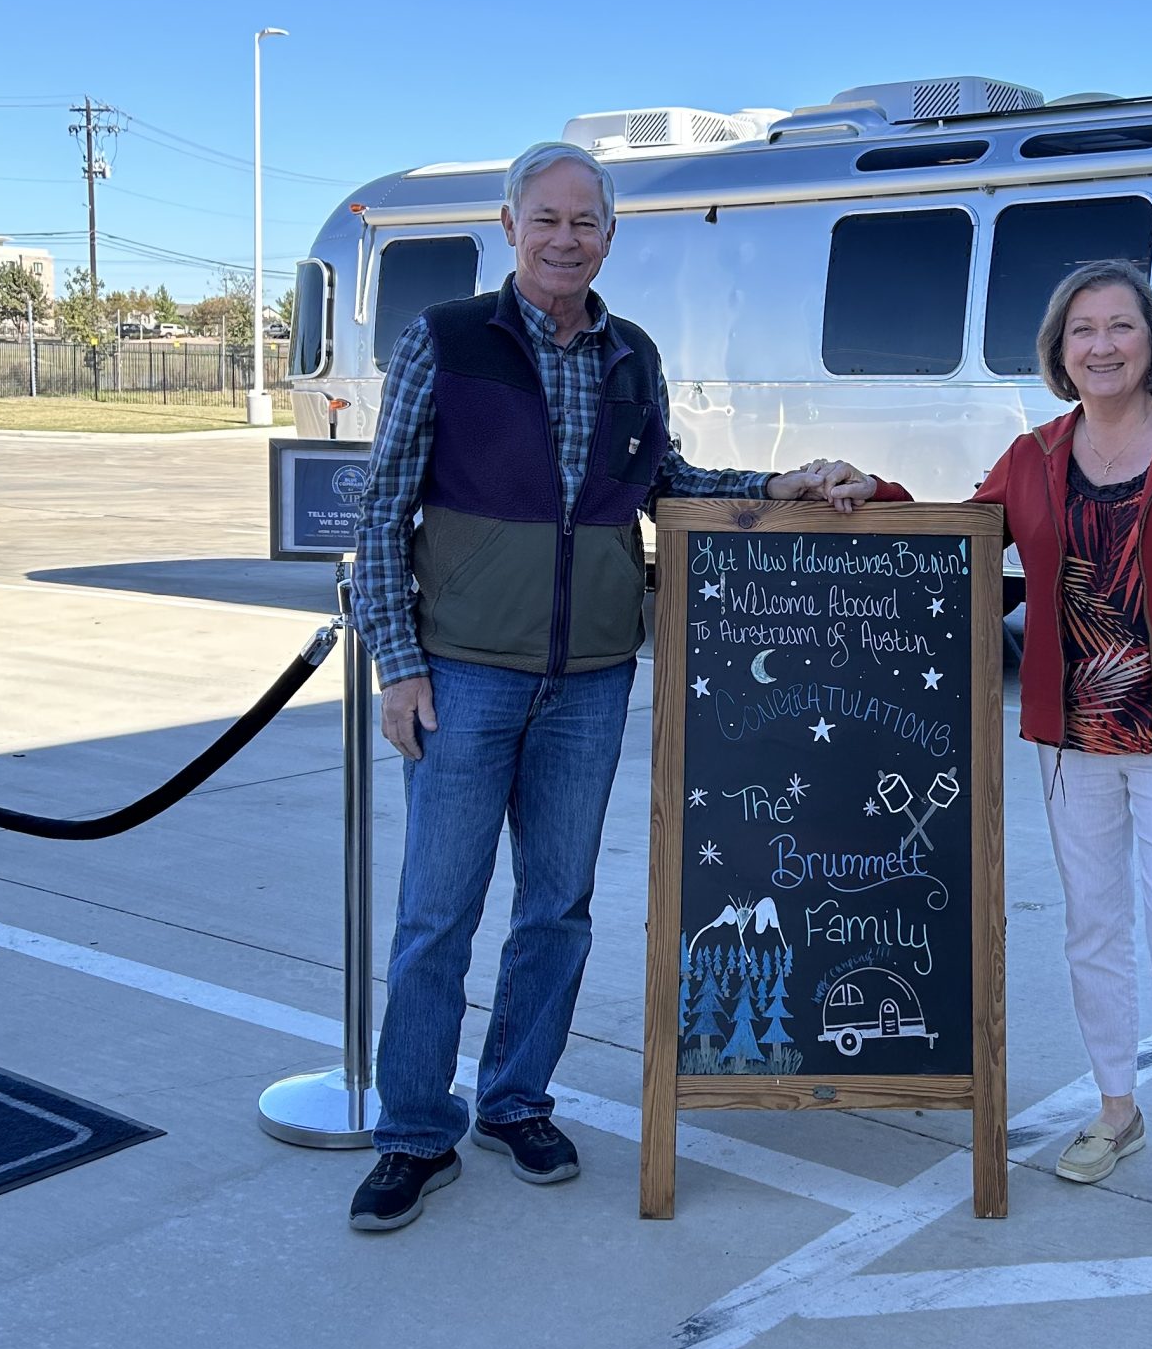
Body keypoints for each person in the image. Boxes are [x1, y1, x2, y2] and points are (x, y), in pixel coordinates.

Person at [346, 140, 866, 1233]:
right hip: (462, 676)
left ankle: (515, 1102)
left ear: (611, 236)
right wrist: (398, 664)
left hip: (588, 684)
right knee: (437, 915)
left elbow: (667, 482)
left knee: (558, 910)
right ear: (509, 226)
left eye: (586, 221)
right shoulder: (445, 339)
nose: (565, 238)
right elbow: (382, 511)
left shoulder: (632, 354)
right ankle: (414, 1131)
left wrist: (778, 484)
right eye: (546, 218)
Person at [891, 256, 1152, 1246]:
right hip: (1073, 741)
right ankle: (1118, 1108)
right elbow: (961, 537)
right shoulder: (1034, 456)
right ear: (1059, 352)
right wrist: (869, 493)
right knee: (1092, 929)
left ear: (1151, 339)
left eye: (1120, 326)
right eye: (1082, 330)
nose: (1102, 345)